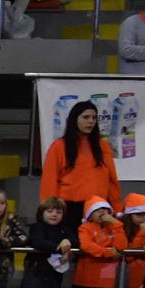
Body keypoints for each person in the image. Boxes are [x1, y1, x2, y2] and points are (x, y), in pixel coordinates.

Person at [41, 100, 123, 235]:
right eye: (86, 117)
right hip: (69, 208)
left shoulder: (102, 145)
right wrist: (50, 210)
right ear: (74, 119)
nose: (91, 121)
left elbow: (111, 180)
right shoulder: (59, 146)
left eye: (94, 118)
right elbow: (49, 181)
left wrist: (117, 208)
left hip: (99, 208)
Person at [72, 197, 126, 288]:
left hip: (108, 281)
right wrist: (108, 253)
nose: (102, 212)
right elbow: (86, 245)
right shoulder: (85, 228)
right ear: (90, 214)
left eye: (105, 209)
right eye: (97, 209)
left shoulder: (114, 227)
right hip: (87, 280)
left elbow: (122, 246)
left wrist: (117, 225)